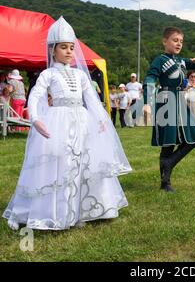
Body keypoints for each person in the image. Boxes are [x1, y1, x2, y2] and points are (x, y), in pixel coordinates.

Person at [3, 17, 132, 231]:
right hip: (58, 121)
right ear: (53, 50)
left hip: (82, 121)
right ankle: (53, 211)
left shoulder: (80, 75)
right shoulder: (48, 74)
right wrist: (35, 119)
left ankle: (82, 210)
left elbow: (91, 98)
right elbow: (35, 96)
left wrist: (101, 119)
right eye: (64, 47)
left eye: (72, 47)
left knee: (84, 162)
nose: (69, 52)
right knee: (60, 163)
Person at [143, 27, 195, 193]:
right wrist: (147, 102)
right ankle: (165, 183)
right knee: (168, 142)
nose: (178, 43)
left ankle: (170, 162)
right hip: (166, 100)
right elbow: (150, 78)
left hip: (179, 100)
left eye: (181, 41)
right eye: (175, 40)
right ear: (165, 41)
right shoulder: (160, 60)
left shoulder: (182, 61)